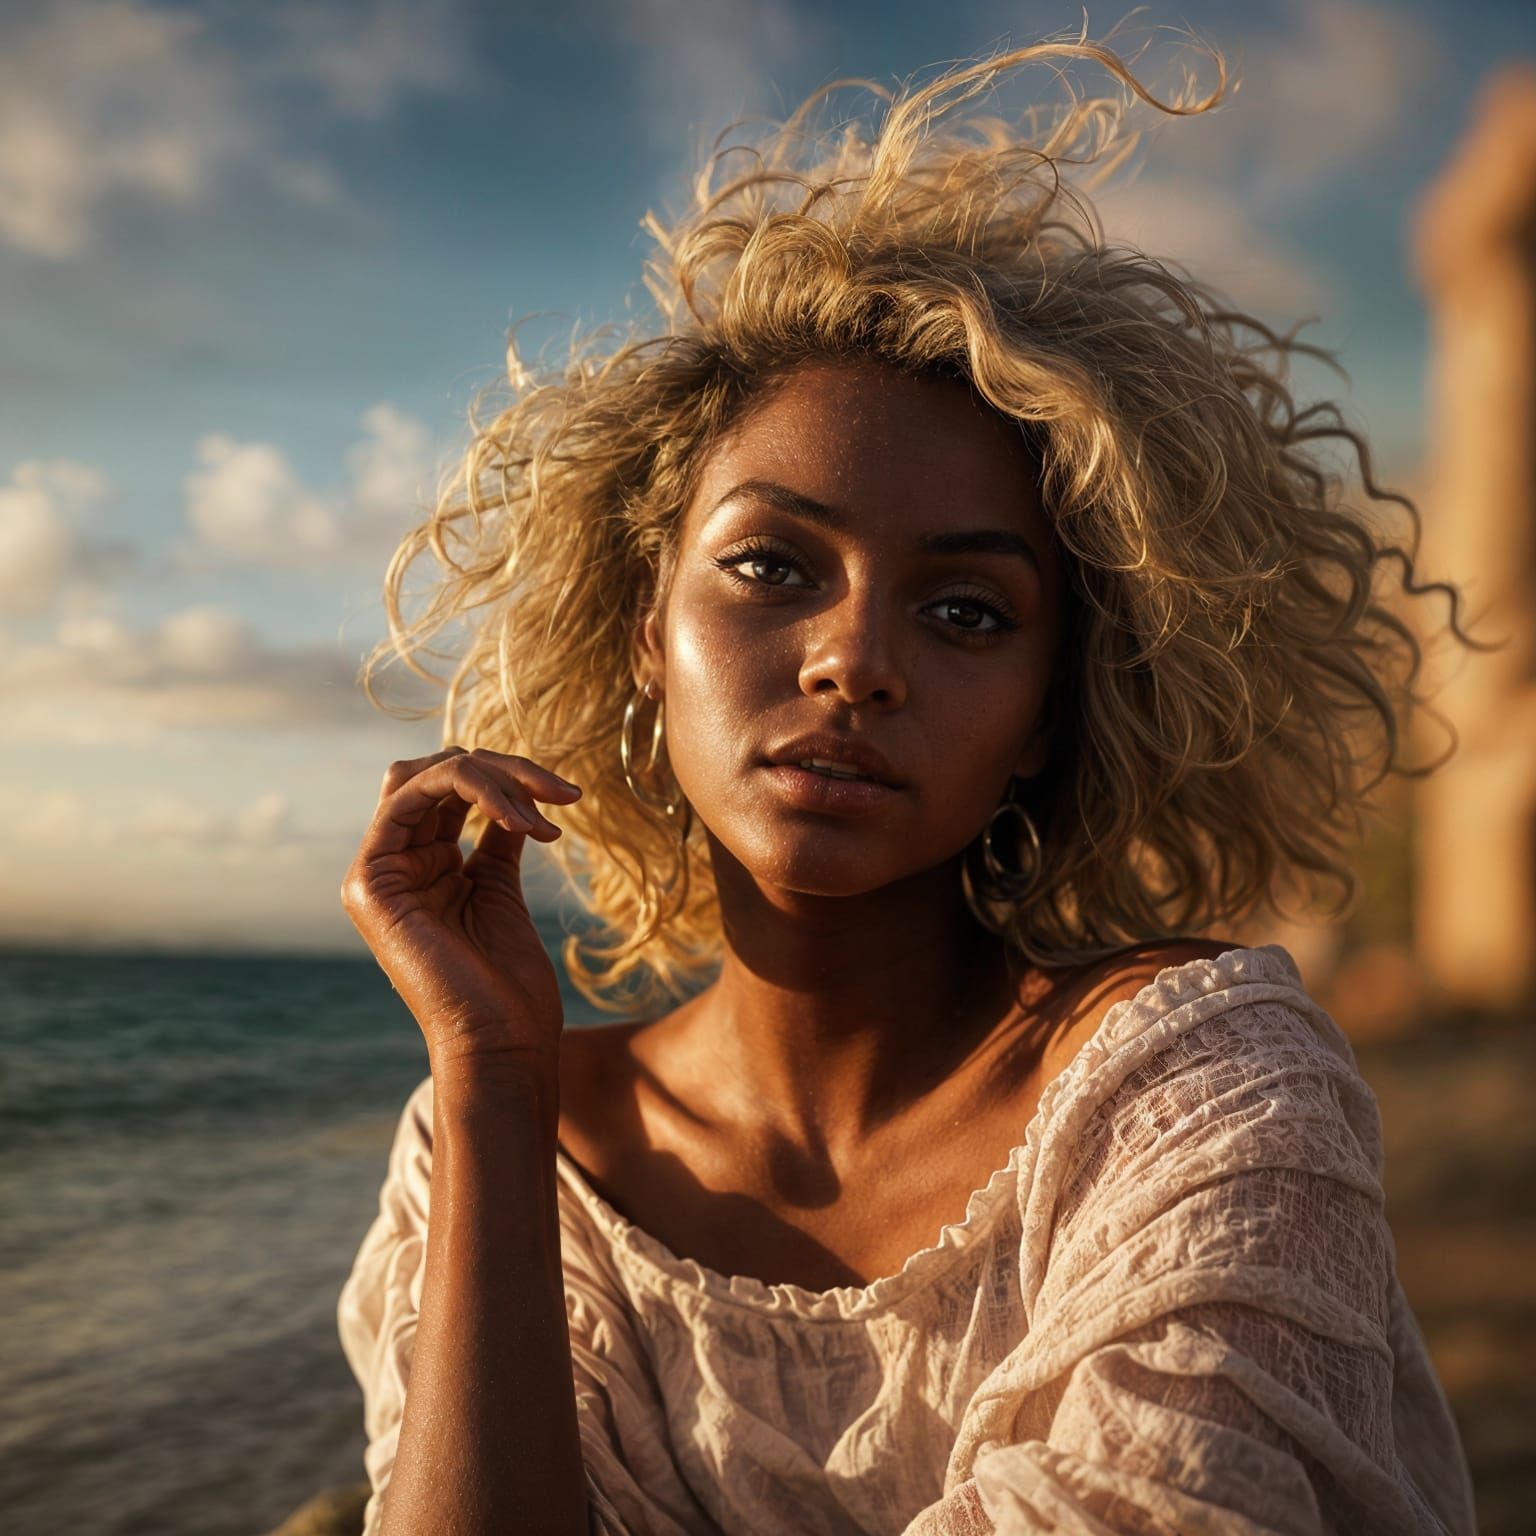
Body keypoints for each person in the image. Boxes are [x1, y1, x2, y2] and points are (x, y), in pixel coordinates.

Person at [334, 31, 1483, 1536]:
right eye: (769, 565)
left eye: (966, 612)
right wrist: (489, 1081)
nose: (854, 661)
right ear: (643, 637)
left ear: (1047, 717)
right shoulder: (504, 1149)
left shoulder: (1195, 1092)